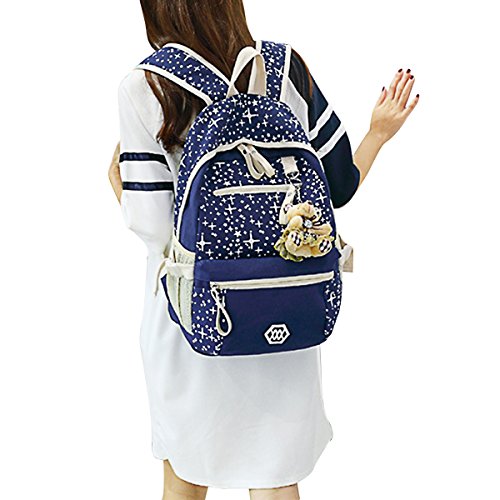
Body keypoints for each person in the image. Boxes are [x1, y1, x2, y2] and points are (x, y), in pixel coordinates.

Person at [108, 1, 419, 498]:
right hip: (285, 307)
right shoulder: (285, 68)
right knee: (276, 476)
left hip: (192, 317)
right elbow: (338, 185)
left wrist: (116, 183)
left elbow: (153, 227)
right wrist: (378, 134)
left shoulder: (146, 86)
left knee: (186, 474)